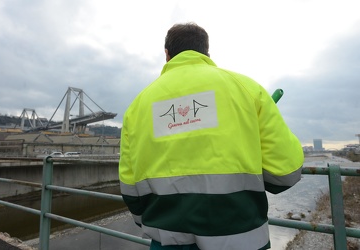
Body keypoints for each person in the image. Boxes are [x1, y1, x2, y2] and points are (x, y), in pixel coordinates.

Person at [119, 22, 304, 250]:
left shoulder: (137, 107)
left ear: (167, 55)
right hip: (242, 239)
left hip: (167, 241)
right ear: (206, 52)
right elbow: (286, 172)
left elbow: (129, 187)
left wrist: (151, 222)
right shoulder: (247, 90)